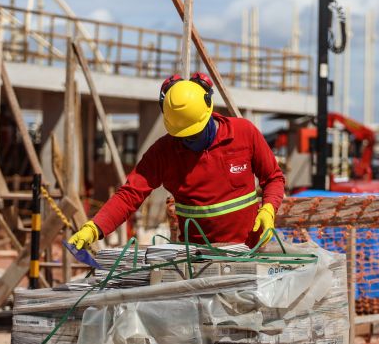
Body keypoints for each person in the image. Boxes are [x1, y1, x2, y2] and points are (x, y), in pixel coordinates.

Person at [67, 72, 285, 252]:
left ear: (208, 111)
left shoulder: (243, 133)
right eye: (182, 134)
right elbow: (130, 194)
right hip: (198, 258)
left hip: (251, 250)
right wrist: (95, 227)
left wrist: (268, 209)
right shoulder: (164, 152)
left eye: (195, 133)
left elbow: (273, 177)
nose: (189, 140)